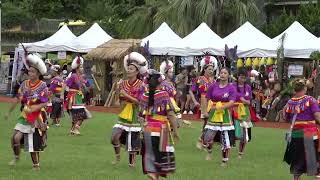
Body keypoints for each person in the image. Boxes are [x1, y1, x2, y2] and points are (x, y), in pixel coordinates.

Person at [7, 54, 49, 170]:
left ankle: (36, 165)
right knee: (14, 138)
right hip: (25, 114)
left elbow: (45, 102)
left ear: (38, 74)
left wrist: (35, 108)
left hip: (37, 116)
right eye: (29, 71)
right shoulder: (25, 84)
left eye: (33, 72)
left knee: (32, 141)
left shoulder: (43, 86)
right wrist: (9, 111)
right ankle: (16, 157)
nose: (30, 74)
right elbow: (20, 98)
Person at [140, 69, 179, 180]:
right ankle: (155, 174)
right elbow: (171, 115)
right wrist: (176, 132)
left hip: (147, 129)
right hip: (160, 129)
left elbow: (141, 116)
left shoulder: (144, 96)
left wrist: (142, 130)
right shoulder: (163, 94)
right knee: (160, 154)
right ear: (160, 82)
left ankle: (153, 173)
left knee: (150, 153)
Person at [111, 52, 148, 167]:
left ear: (137, 72)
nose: (128, 70)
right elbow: (117, 102)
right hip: (124, 113)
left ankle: (131, 163)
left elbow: (140, 102)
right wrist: (117, 90)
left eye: (131, 69)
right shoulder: (123, 83)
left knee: (132, 139)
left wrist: (126, 95)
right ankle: (117, 158)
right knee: (114, 137)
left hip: (135, 113)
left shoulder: (142, 85)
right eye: (128, 68)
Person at [283, 78, 320, 180]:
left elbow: (285, 116)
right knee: (314, 162)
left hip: (295, 134)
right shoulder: (310, 100)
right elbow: (317, 116)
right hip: (310, 133)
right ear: (304, 88)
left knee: (297, 162)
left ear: (295, 89)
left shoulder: (290, 102)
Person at [202, 67, 236, 166]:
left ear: (228, 75)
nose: (223, 74)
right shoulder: (213, 86)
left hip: (224, 114)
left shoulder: (231, 88)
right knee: (207, 137)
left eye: (225, 73)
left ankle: (224, 160)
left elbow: (232, 102)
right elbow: (206, 98)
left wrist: (221, 107)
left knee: (225, 137)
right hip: (213, 113)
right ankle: (209, 151)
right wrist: (205, 111)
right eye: (221, 73)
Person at [189, 56, 217, 149]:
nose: (211, 71)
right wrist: (195, 101)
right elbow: (191, 91)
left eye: (212, 69)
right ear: (204, 69)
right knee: (207, 123)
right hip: (204, 102)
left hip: (212, 103)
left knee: (210, 123)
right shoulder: (200, 79)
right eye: (209, 69)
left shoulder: (214, 80)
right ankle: (202, 140)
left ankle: (205, 140)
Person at [61, 56, 91, 135]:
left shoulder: (80, 77)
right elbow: (65, 84)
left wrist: (87, 80)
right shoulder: (73, 76)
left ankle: (73, 129)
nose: (82, 68)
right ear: (77, 68)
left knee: (77, 114)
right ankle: (76, 127)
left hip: (78, 96)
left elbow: (88, 85)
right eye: (81, 67)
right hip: (73, 96)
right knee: (81, 114)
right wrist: (61, 94)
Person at [233, 68, 253, 159]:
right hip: (234, 110)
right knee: (233, 131)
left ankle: (240, 153)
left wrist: (244, 100)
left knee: (244, 133)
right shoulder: (232, 86)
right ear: (238, 77)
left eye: (244, 78)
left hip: (245, 112)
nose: (242, 79)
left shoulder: (248, 87)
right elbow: (233, 97)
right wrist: (243, 99)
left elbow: (249, 101)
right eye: (241, 77)